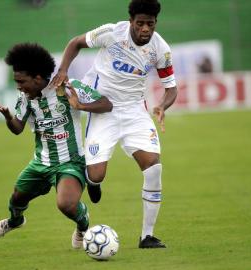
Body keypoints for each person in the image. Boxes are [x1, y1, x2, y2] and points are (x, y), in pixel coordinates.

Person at [51, 0, 177, 249]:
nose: (144, 29)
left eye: (149, 24)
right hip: (102, 108)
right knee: (96, 175)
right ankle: (94, 183)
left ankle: (147, 236)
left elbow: (171, 88)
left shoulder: (160, 49)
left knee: (153, 166)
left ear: (155, 23)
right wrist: (64, 70)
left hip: (134, 112)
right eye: (140, 23)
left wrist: (162, 105)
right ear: (131, 21)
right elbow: (75, 43)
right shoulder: (111, 33)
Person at [0, 43, 113, 249]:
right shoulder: (25, 98)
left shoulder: (69, 87)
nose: (18, 86)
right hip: (40, 163)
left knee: (66, 204)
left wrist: (80, 105)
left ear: (37, 78)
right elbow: (18, 128)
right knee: (16, 199)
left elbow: (106, 104)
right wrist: (9, 116)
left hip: (70, 162)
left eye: (21, 81)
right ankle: (15, 221)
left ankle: (83, 226)